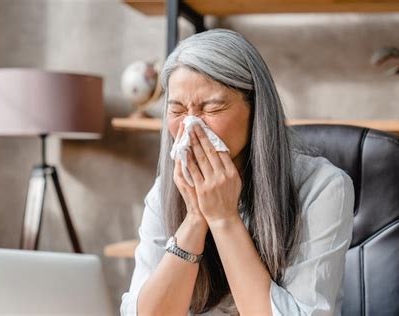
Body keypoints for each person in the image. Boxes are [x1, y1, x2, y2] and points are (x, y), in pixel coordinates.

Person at [121, 29, 354, 316]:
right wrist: (195, 218)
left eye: (212, 107)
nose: (192, 127)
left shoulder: (323, 188)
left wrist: (222, 218)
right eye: (178, 111)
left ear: (256, 109)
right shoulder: (166, 190)